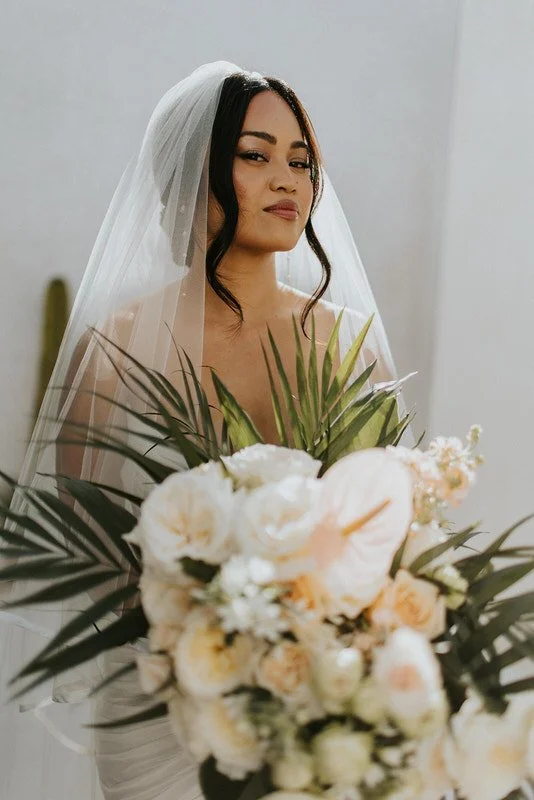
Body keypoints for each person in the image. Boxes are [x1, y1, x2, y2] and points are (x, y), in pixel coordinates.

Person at [0, 61, 414, 799]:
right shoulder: (116, 346)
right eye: (255, 156)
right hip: (159, 705)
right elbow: (82, 546)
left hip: (311, 697)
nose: (288, 181)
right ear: (192, 178)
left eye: (301, 161)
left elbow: (391, 531)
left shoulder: (351, 346)